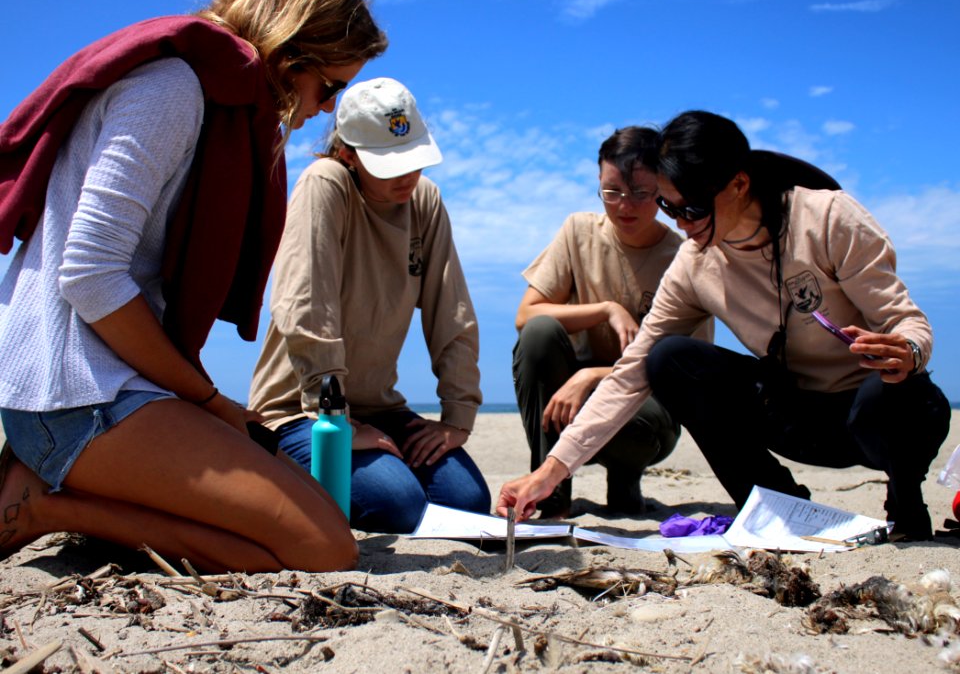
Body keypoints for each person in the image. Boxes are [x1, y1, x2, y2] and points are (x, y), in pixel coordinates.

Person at [0, 0, 388, 573]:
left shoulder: (212, 98)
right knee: (323, 548)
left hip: (114, 384)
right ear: (289, 53)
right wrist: (207, 401)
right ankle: (45, 510)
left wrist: (207, 404)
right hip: (72, 392)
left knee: (324, 520)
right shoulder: (173, 89)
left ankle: (68, 486)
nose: (328, 109)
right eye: (329, 86)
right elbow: (89, 275)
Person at [498, 110, 950, 541]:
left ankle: (907, 501)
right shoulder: (694, 262)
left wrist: (907, 350)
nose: (680, 224)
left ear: (738, 184)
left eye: (691, 209)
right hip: (793, 413)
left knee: (895, 392)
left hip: (872, 414)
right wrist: (551, 471)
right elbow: (631, 372)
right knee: (670, 358)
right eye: (667, 206)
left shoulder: (828, 218)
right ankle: (778, 504)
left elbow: (906, 319)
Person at [248, 77, 491, 533]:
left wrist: (457, 419)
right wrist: (340, 424)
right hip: (302, 410)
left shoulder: (425, 200)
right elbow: (305, 306)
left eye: (414, 160)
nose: (406, 176)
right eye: (388, 164)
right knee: (396, 504)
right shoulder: (325, 183)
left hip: (380, 408)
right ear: (348, 154)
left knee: (468, 503)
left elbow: (452, 313)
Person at [512, 126, 711, 518]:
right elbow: (526, 315)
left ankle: (625, 478)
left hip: (648, 409)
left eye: (641, 193)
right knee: (538, 335)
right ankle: (551, 498)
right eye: (612, 192)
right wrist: (606, 309)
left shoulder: (685, 256)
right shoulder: (578, 231)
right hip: (570, 393)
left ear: (664, 188)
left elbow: (690, 366)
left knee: (625, 394)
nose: (624, 206)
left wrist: (591, 378)